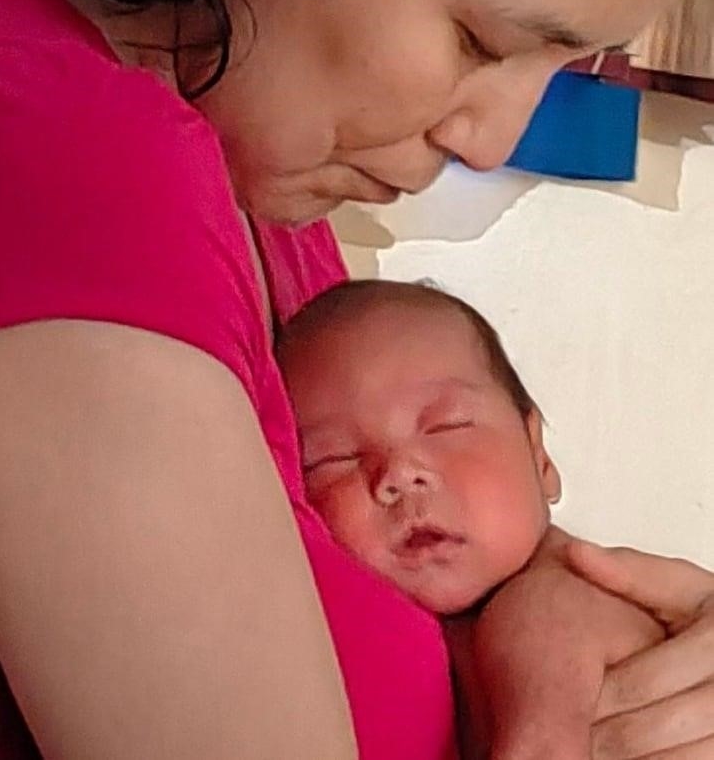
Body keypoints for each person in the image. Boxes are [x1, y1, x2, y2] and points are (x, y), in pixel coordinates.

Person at [0, 0, 714, 758]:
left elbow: (467, 546)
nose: (487, 138)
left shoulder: (264, 214)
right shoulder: (59, 144)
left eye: (562, 69)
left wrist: (555, 629)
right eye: (483, 39)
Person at [276, 279, 674, 758]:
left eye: (447, 426)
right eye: (332, 458)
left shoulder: (555, 611)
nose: (399, 474)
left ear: (539, 457)